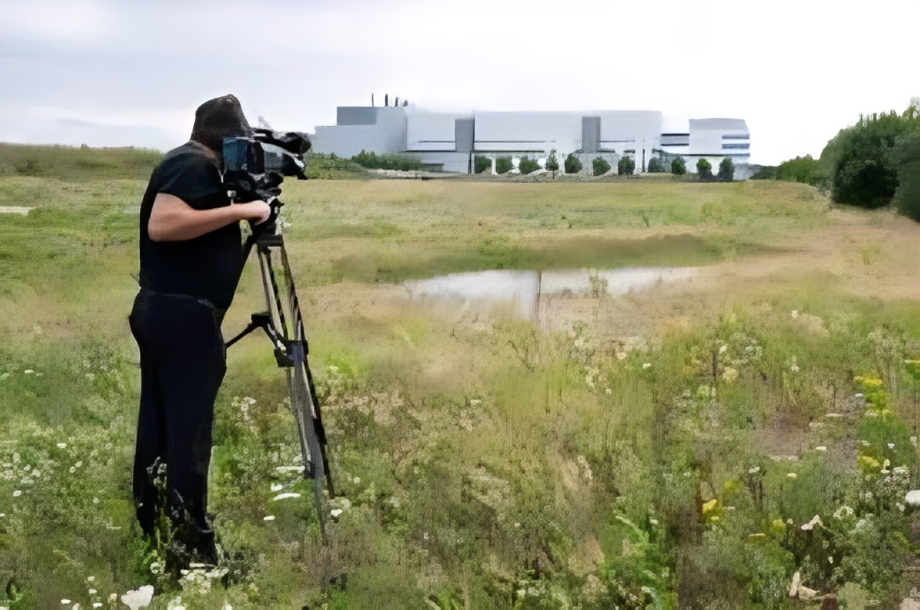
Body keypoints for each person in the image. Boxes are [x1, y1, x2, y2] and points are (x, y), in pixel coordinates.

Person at [128, 94, 270, 569]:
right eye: (239, 144)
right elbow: (163, 225)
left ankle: (155, 525)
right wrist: (242, 212)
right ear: (226, 140)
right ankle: (192, 551)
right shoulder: (191, 163)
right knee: (188, 436)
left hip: (170, 314)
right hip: (182, 318)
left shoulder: (190, 163)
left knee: (162, 426)